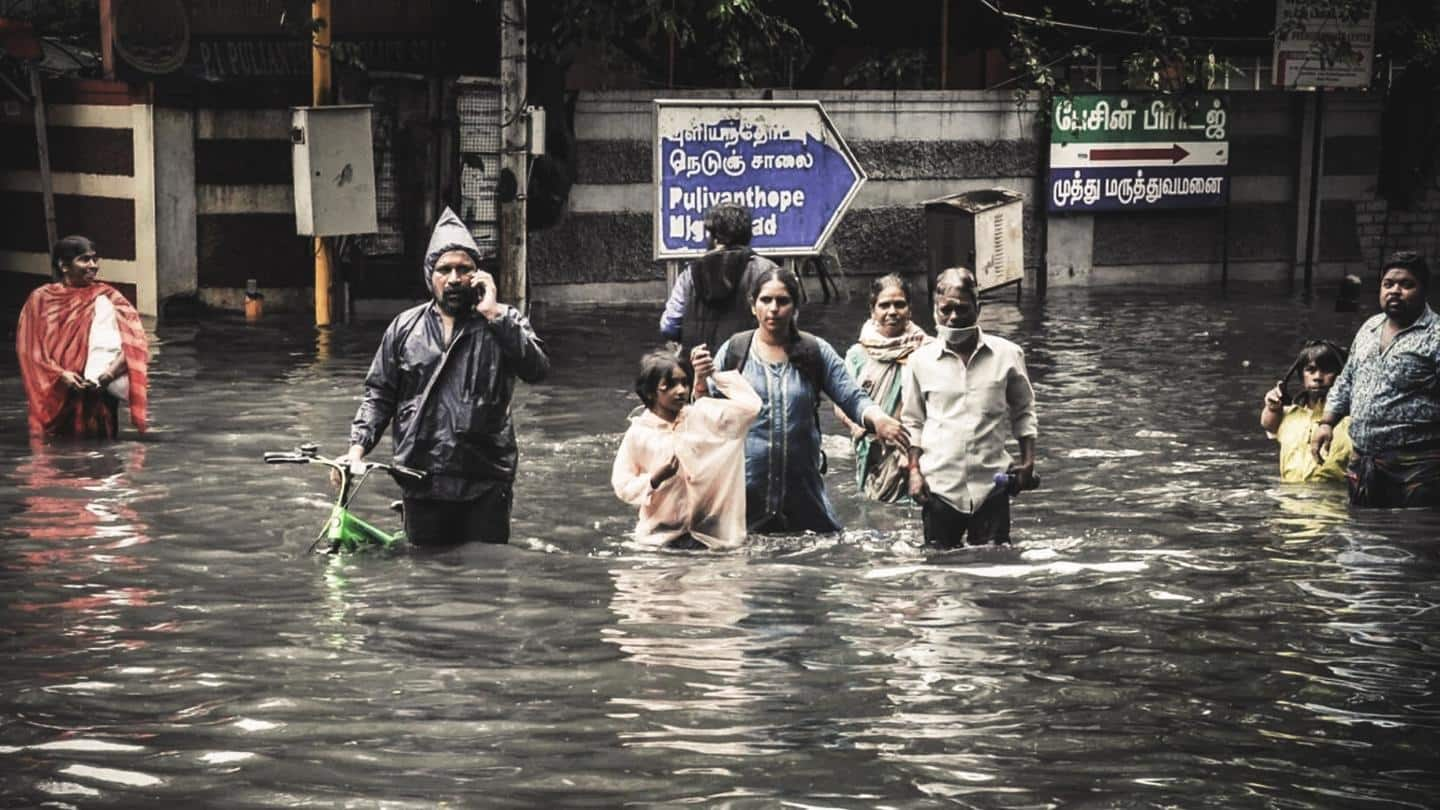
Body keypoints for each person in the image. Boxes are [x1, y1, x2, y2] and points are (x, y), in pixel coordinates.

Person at [343, 208, 550, 546]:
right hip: (421, 477)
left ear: (478, 274)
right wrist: (356, 451)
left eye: (464, 269)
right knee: (424, 577)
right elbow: (379, 394)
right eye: (445, 269)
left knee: (484, 577)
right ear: (431, 275)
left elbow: (538, 370)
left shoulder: (503, 321)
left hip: (485, 477)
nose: (454, 278)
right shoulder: (404, 328)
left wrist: (495, 315)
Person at [700, 267, 909, 534]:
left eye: (783, 301)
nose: (773, 308)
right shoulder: (734, 352)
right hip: (743, 494)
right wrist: (699, 379)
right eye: (766, 300)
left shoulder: (815, 351)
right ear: (753, 307)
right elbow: (703, 416)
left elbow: (851, 396)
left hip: (804, 495)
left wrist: (878, 419)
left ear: (795, 307)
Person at [903, 267, 1037, 547]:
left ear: (978, 308)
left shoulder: (1008, 355)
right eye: (946, 310)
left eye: (962, 309)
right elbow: (913, 422)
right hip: (939, 488)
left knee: (993, 569)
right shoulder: (919, 362)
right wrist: (914, 471)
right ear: (935, 310)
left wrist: (1027, 462)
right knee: (939, 571)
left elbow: (1023, 411)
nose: (953, 317)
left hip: (992, 487)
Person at [1312, 250, 1440, 508]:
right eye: (1388, 284)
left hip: (1417, 470)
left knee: (1411, 543)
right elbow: (1347, 380)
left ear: (1424, 290)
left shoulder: (1436, 335)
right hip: (1364, 465)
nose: (1395, 291)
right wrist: (1326, 423)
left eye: (1407, 284)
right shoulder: (1369, 328)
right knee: (1360, 540)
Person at [611, 348, 762, 550]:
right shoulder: (639, 434)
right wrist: (654, 478)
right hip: (659, 539)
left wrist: (712, 375)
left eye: (684, 383)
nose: (681, 390)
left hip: (709, 536)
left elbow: (750, 408)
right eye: (670, 385)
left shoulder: (699, 417)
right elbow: (623, 486)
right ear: (650, 392)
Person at [17, 235, 149, 438]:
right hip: (56, 393)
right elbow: (29, 350)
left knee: (101, 460)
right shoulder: (40, 300)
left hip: (97, 394)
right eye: (84, 259)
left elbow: (136, 345)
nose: (93, 266)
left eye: (95, 259)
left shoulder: (109, 297)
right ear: (63, 265)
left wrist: (108, 375)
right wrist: (61, 375)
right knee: (56, 460)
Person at [836, 273, 931, 503]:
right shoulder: (858, 354)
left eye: (899, 304)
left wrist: (910, 448)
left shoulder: (927, 350)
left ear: (909, 310)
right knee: (874, 509)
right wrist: (855, 426)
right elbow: (841, 400)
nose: (892, 311)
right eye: (884, 305)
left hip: (916, 449)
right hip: (871, 450)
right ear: (873, 310)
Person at [658, 202, 780, 354]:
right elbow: (783, 323)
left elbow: (669, 326)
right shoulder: (768, 271)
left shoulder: (689, 274)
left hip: (698, 369)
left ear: (714, 237)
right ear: (748, 236)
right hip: (747, 368)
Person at [1260, 341, 1352, 483]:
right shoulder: (1288, 415)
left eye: (1327, 370)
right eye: (1311, 370)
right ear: (1302, 377)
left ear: (1342, 377)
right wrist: (1272, 406)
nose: (1318, 377)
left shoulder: (1352, 418)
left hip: (1333, 500)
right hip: (1290, 499)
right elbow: (1268, 425)